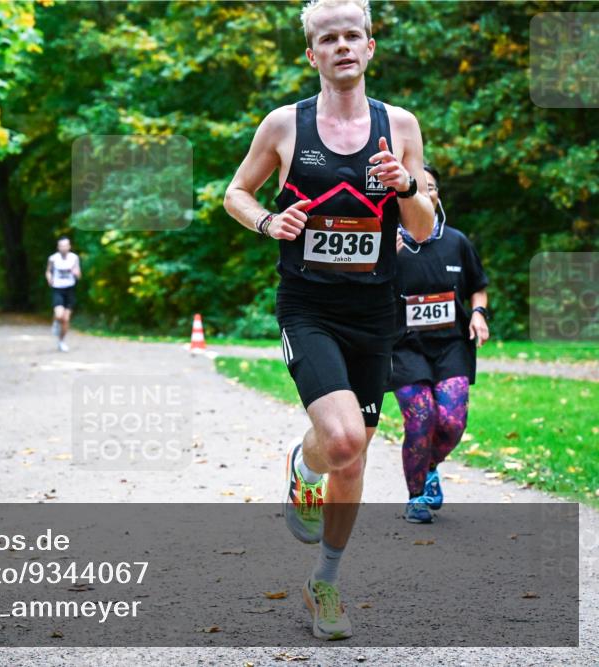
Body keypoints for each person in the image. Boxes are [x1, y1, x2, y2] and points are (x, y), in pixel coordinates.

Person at [223, 0, 435, 641]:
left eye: (353, 36)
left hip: (375, 310)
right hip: (309, 306)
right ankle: (305, 465)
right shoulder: (284, 126)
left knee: (355, 452)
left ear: (370, 47)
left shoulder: (399, 125)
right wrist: (268, 221)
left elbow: (423, 228)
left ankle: (326, 583)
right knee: (342, 441)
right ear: (311, 54)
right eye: (328, 38)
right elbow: (236, 192)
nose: (342, 46)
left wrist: (405, 186)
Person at [390, 164, 490, 523]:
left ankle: (429, 465)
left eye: (428, 188)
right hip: (403, 346)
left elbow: (478, 285)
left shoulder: (457, 242)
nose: (422, 193)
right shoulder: (388, 242)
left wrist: (479, 314)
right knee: (421, 418)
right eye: (414, 188)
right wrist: (385, 255)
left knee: (451, 422)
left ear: (436, 196)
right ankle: (416, 496)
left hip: (451, 346)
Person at [45, 236, 81, 352]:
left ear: (69, 246)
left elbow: (79, 275)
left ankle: (61, 341)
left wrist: (75, 273)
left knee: (66, 319)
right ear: (58, 247)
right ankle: (56, 321)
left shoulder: (74, 258)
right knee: (59, 315)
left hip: (70, 289)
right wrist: (49, 278)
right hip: (58, 289)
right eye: (61, 246)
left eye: (66, 245)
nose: (64, 248)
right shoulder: (53, 259)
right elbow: (48, 271)